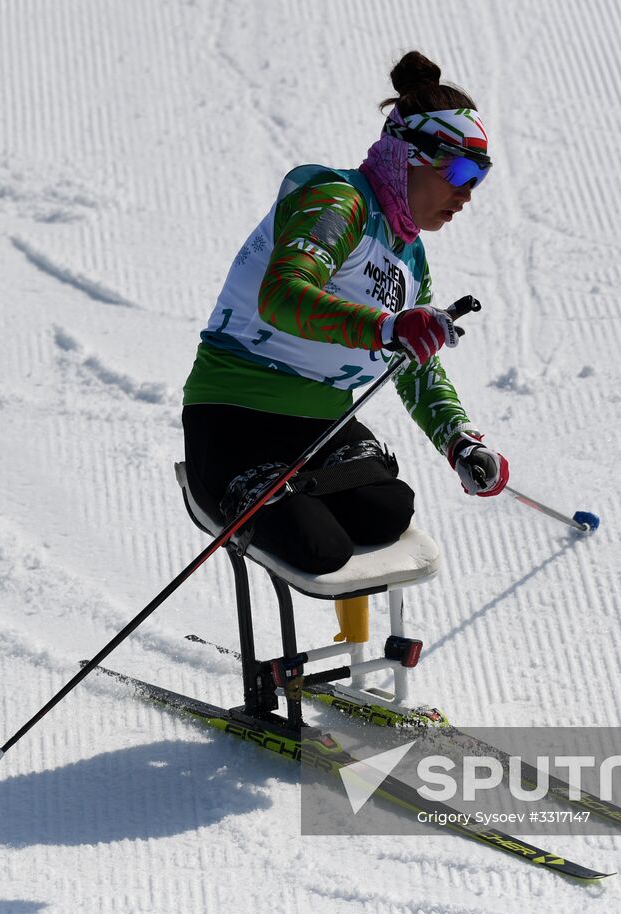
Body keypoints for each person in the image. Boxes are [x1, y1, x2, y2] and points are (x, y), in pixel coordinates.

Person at [181, 50, 509, 575]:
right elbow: (284, 294)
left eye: (481, 177)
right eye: (462, 170)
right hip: (236, 412)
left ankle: (292, 494)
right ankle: (243, 488)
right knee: (321, 550)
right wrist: (386, 326)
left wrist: (458, 439)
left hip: (319, 427)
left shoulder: (412, 260)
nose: (468, 193)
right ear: (408, 155)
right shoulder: (339, 203)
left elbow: (412, 361)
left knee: (388, 513)